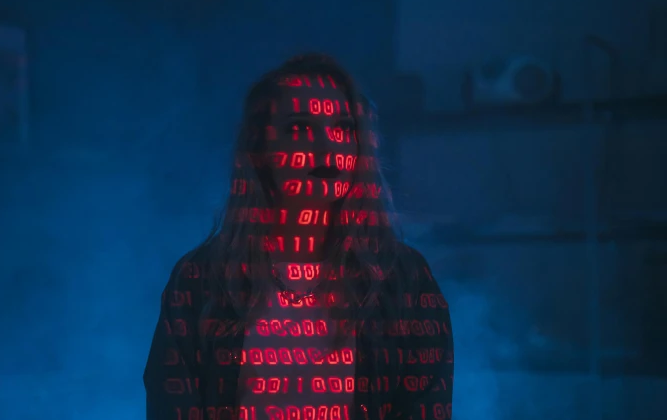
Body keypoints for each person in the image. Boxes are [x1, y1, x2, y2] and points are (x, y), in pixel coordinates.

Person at [143, 53, 453, 420]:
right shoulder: (201, 280)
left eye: (342, 128)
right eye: (300, 129)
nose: (327, 148)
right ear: (260, 152)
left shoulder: (404, 279)